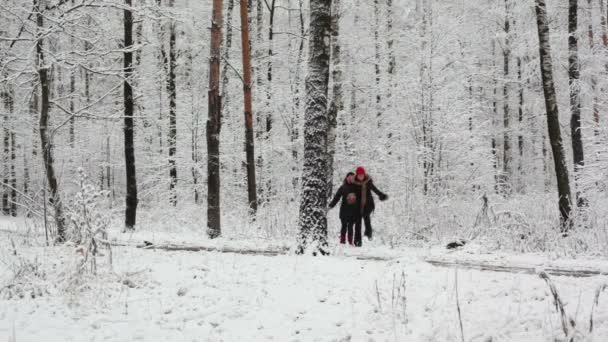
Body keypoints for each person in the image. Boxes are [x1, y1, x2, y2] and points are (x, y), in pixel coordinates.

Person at [353, 166, 388, 246]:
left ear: (364, 175)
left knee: (366, 218)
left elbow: (375, 189)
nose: (361, 176)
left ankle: (368, 234)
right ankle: (358, 241)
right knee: (358, 223)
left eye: (362, 175)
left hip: (367, 204)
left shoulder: (368, 182)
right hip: (357, 206)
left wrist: (381, 195)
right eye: (359, 175)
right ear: (357, 175)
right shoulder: (354, 183)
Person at [328, 172, 359, 245]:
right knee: (344, 226)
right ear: (347, 177)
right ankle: (342, 241)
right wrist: (331, 206)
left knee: (351, 226)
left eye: (352, 177)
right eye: (350, 177)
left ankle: (350, 242)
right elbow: (337, 197)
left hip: (353, 210)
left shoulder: (356, 187)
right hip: (344, 210)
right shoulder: (343, 187)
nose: (351, 178)